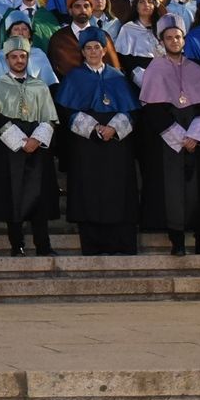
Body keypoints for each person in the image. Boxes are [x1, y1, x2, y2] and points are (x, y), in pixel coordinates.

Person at [138, 14, 200, 256]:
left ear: (184, 40)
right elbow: (153, 108)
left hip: (197, 137)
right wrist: (179, 136)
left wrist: (196, 134)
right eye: (169, 37)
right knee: (173, 191)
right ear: (162, 41)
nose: (174, 41)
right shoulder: (155, 68)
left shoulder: (195, 68)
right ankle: (178, 243)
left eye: (178, 37)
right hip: (169, 141)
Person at [56, 28, 141, 255]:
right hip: (87, 144)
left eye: (97, 47)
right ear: (82, 52)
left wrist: (114, 127)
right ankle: (94, 244)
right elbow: (66, 110)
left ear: (104, 50)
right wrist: (94, 128)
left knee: (118, 189)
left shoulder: (118, 76)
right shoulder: (74, 77)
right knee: (89, 190)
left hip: (117, 143)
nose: (93, 51)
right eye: (88, 48)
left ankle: (121, 243)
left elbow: (132, 110)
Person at [0, 37, 60, 256]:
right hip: (10, 148)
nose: (18, 60)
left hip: (37, 147)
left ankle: (44, 245)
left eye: (22, 56)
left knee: (39, 198)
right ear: (7, 60)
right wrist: (17, 139)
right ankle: (17, 244)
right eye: (14, 57)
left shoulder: (40, 86)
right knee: (12, 196)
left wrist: (36, 139)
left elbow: (50, 117)